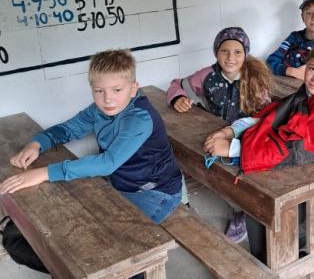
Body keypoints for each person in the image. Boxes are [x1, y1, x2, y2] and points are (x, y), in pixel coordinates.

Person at [0, 49, 182, 275]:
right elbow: (67, 129)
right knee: (23, 237)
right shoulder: (98, 110)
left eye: (117, 90)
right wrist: (37, 144)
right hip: (120, 184)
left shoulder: (139, 117)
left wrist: (44, 172)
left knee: (119, 251)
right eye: (99, 91)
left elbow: (107, 163)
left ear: (133, 88)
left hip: (155, 193)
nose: (108, 99)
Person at [204, 43, 314, 263]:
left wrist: (234, 148)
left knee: (263, 205)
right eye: (312, 69)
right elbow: (276, 114)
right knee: (256, 200)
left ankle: (285, 258)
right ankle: (277, 258)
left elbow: (293, 151)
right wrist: (231, 130)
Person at [166, 26, 273, 243]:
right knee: (188, 157)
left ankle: (241, 212)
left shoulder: (255, 78)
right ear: (216, 52)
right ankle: (191, 200)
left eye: (237, 52)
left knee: (238, 178)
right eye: (225, 51)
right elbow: (177, 84)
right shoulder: (208, 75)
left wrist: (237, 137)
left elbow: (265, 117)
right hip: (215, 132)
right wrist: (178, 98)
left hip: (245, 135)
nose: (230, 58)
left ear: (245, 54)